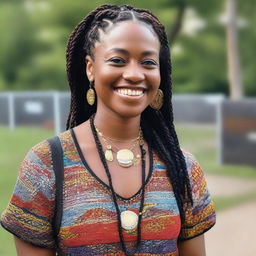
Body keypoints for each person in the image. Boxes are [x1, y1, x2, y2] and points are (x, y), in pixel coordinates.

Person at [0, 4, 216, 256]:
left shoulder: (183, 168)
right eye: (117, 60)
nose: (134, 74)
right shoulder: (45, 164)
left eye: (148, 62)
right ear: (91, 68)